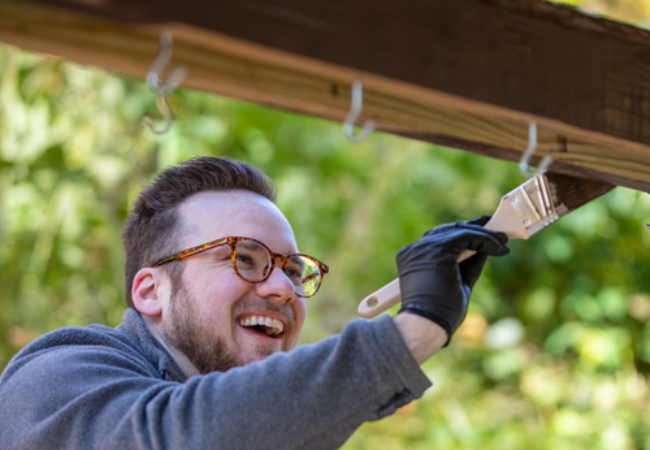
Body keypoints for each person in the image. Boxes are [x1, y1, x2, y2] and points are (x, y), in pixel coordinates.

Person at [0, 157, 510, 450]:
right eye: (245, 258)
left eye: (292, 269)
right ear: (150, 292)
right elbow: (183, 437)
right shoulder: (52, 378)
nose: (283, 289)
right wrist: (414, 331)